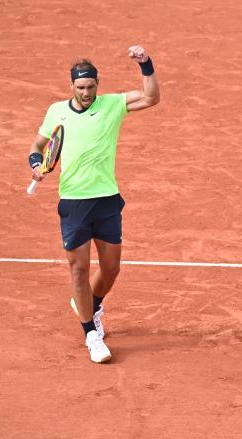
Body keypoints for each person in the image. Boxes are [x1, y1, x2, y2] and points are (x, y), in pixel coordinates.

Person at [28, 45, 160, 363]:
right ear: (71, 86)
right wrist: (36, 162)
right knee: (79, 271)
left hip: (106, 199)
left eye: (90, 87)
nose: (85, 92)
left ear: (97, 84)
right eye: (80, 87)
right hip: (73, 202)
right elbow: (39, 145)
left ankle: (92, 303)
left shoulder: (112, 105)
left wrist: (146, 65)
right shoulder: (56, 110)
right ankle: (91, 332)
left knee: (111, 268)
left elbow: (151, 97)